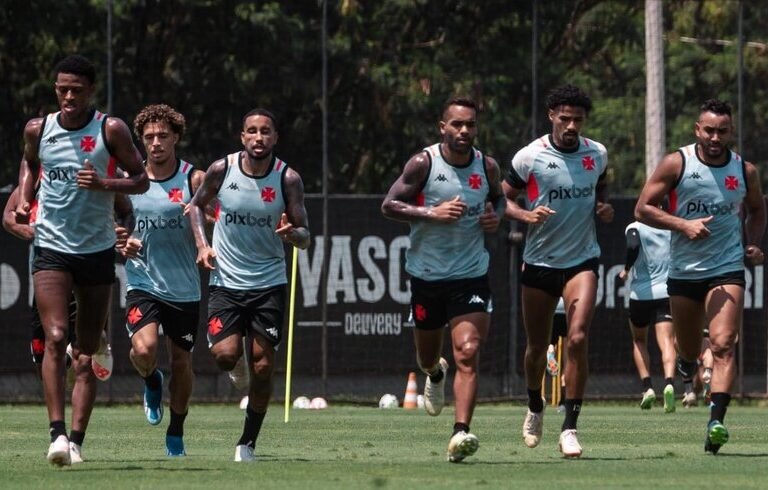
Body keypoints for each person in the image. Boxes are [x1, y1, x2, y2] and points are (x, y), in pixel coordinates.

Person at [12, 54, 148, 466]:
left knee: (85, 353)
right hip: (52, 246)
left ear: (90, 90)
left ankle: (76, 440)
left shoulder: (111, 129)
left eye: (75, 90)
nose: (68, 96)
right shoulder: (39, 128)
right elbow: (30, 163)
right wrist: (23, 197)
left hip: (96, 250)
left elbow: (141, 179)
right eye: (61, 89)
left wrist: (104, 182)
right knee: (55, 337)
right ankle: (56, 436)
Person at [635, 99, 765, 454]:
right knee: (690, 348)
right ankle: (688, 364)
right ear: (697, 130)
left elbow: (756, 210)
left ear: (731, 132)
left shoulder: (745, 170)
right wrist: (683, 225)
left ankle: (716, 421)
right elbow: (642, 208)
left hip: (727, 267)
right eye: (709, 130)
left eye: (722, 131)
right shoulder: (677, 163)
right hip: (683, 273)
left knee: (723, 344)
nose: (715, 137)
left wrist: (752, 244)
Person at [381, 97, 505, 463]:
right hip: (426, 277)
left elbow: (499, 201)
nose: (464, 131)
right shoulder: (424, 163)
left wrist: (494, 217)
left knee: (468, 351)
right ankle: (435, 374)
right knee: (427, 356)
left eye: (470, 125)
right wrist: (430, 213)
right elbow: (388, 204)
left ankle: (460, 433)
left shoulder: (488, 166)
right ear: (442, 127)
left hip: (471, 276)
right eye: (456, 124)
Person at [186, 108, 310, 462]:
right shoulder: (221, 170)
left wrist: (293, 234)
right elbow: (195, 208)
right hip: (225, 281)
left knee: (263, 366)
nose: (259, 137)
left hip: (268, 282)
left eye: (266, 131)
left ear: (275, 138)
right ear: (242, 137)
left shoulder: (288, 179)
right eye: (252, 131)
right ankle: (234, 364)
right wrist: (202, 245)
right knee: (225, 356)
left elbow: (305, 235)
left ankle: (247, 442)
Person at [503, 84, 613, 458]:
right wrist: (525, 215)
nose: (570, 126)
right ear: (551, 115)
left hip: (582, 260)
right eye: (564, 118)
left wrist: (603, 207)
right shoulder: (529, 157)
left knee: (578, 338)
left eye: (577, 120)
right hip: (539, 262)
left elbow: (601, 190)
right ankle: (535, 405)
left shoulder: (596, 153)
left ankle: (570, 426)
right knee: (536, 348)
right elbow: (503, 199)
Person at [3, 183, 129, 464]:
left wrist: (120, 231)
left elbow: (125, 210)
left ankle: (73, 442)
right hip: (49, 280)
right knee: (48, 357)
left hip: (88, 275)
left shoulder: (96, 171)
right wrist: (27, 230)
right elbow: (9, 215)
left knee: (85, 360)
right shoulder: (37, 179)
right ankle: (85, 351)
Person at [118, 104, 205, 457]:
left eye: (163, 137)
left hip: (184, 287)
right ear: (141, 140)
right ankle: (151, 380)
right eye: (149, 137)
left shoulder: (193, 179)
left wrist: (206, 233)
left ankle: (177, 431)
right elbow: (110, 223)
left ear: (177, 139)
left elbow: (217, 213)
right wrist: (120, 238)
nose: (156, 143)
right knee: (144, 350)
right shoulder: (128, 180)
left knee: (182, 364)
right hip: (143, 283)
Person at [618, 220, 679, 412]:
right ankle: (669, 382)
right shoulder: (671, 226)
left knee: (639, 340)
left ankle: (647, 387)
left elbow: (633, 246)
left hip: (641, 295)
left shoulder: (634, 227)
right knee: (667, 341)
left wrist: (627, 269)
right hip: (667, 292)